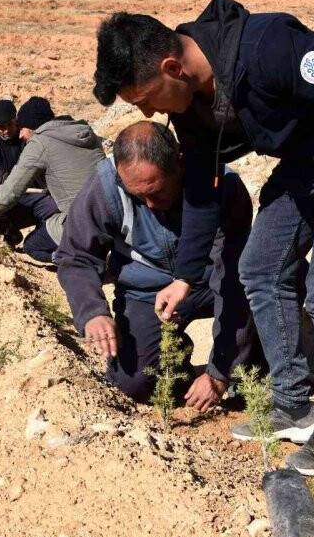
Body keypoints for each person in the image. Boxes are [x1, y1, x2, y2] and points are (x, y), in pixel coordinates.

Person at [93, 0, 314, 475]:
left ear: (173, 67)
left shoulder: (269, 48)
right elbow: (203, 192)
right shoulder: (190, 109)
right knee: (259, 269)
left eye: (145, 98)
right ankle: (292, 404)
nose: (147, 111)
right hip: (302, 168)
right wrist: (187, 277)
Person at [56, 121, 257, 410]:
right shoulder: (104, 187)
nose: (149, 205)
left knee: (265, 286)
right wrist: (92, 313)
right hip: (147, 291)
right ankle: (182, 367)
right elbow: (76, 256)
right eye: (138, 196)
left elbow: (236, 276)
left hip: (211, 283)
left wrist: (220, 371)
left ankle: (249, 367)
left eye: (157, 191)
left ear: (180, 163)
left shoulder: (222, 185)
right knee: (133, 382)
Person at [0, 97, 104, 263]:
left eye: (13, 125)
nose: (9, 131)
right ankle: (9, 232)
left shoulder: (36, 143)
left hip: (48, 204)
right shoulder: (83, 130)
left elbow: (12, 191)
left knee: (35, 239)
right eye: (1, 127)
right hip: (109, 215)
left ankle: (79, 261)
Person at [0, 99, 61, 248]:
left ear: (16, 120)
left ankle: (42, 239)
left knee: (52, 207)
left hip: (33, 196)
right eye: (1, 127)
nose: (6, 130)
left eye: (10, 125)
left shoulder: (29, 138)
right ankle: (9, 235)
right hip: (3, 201)